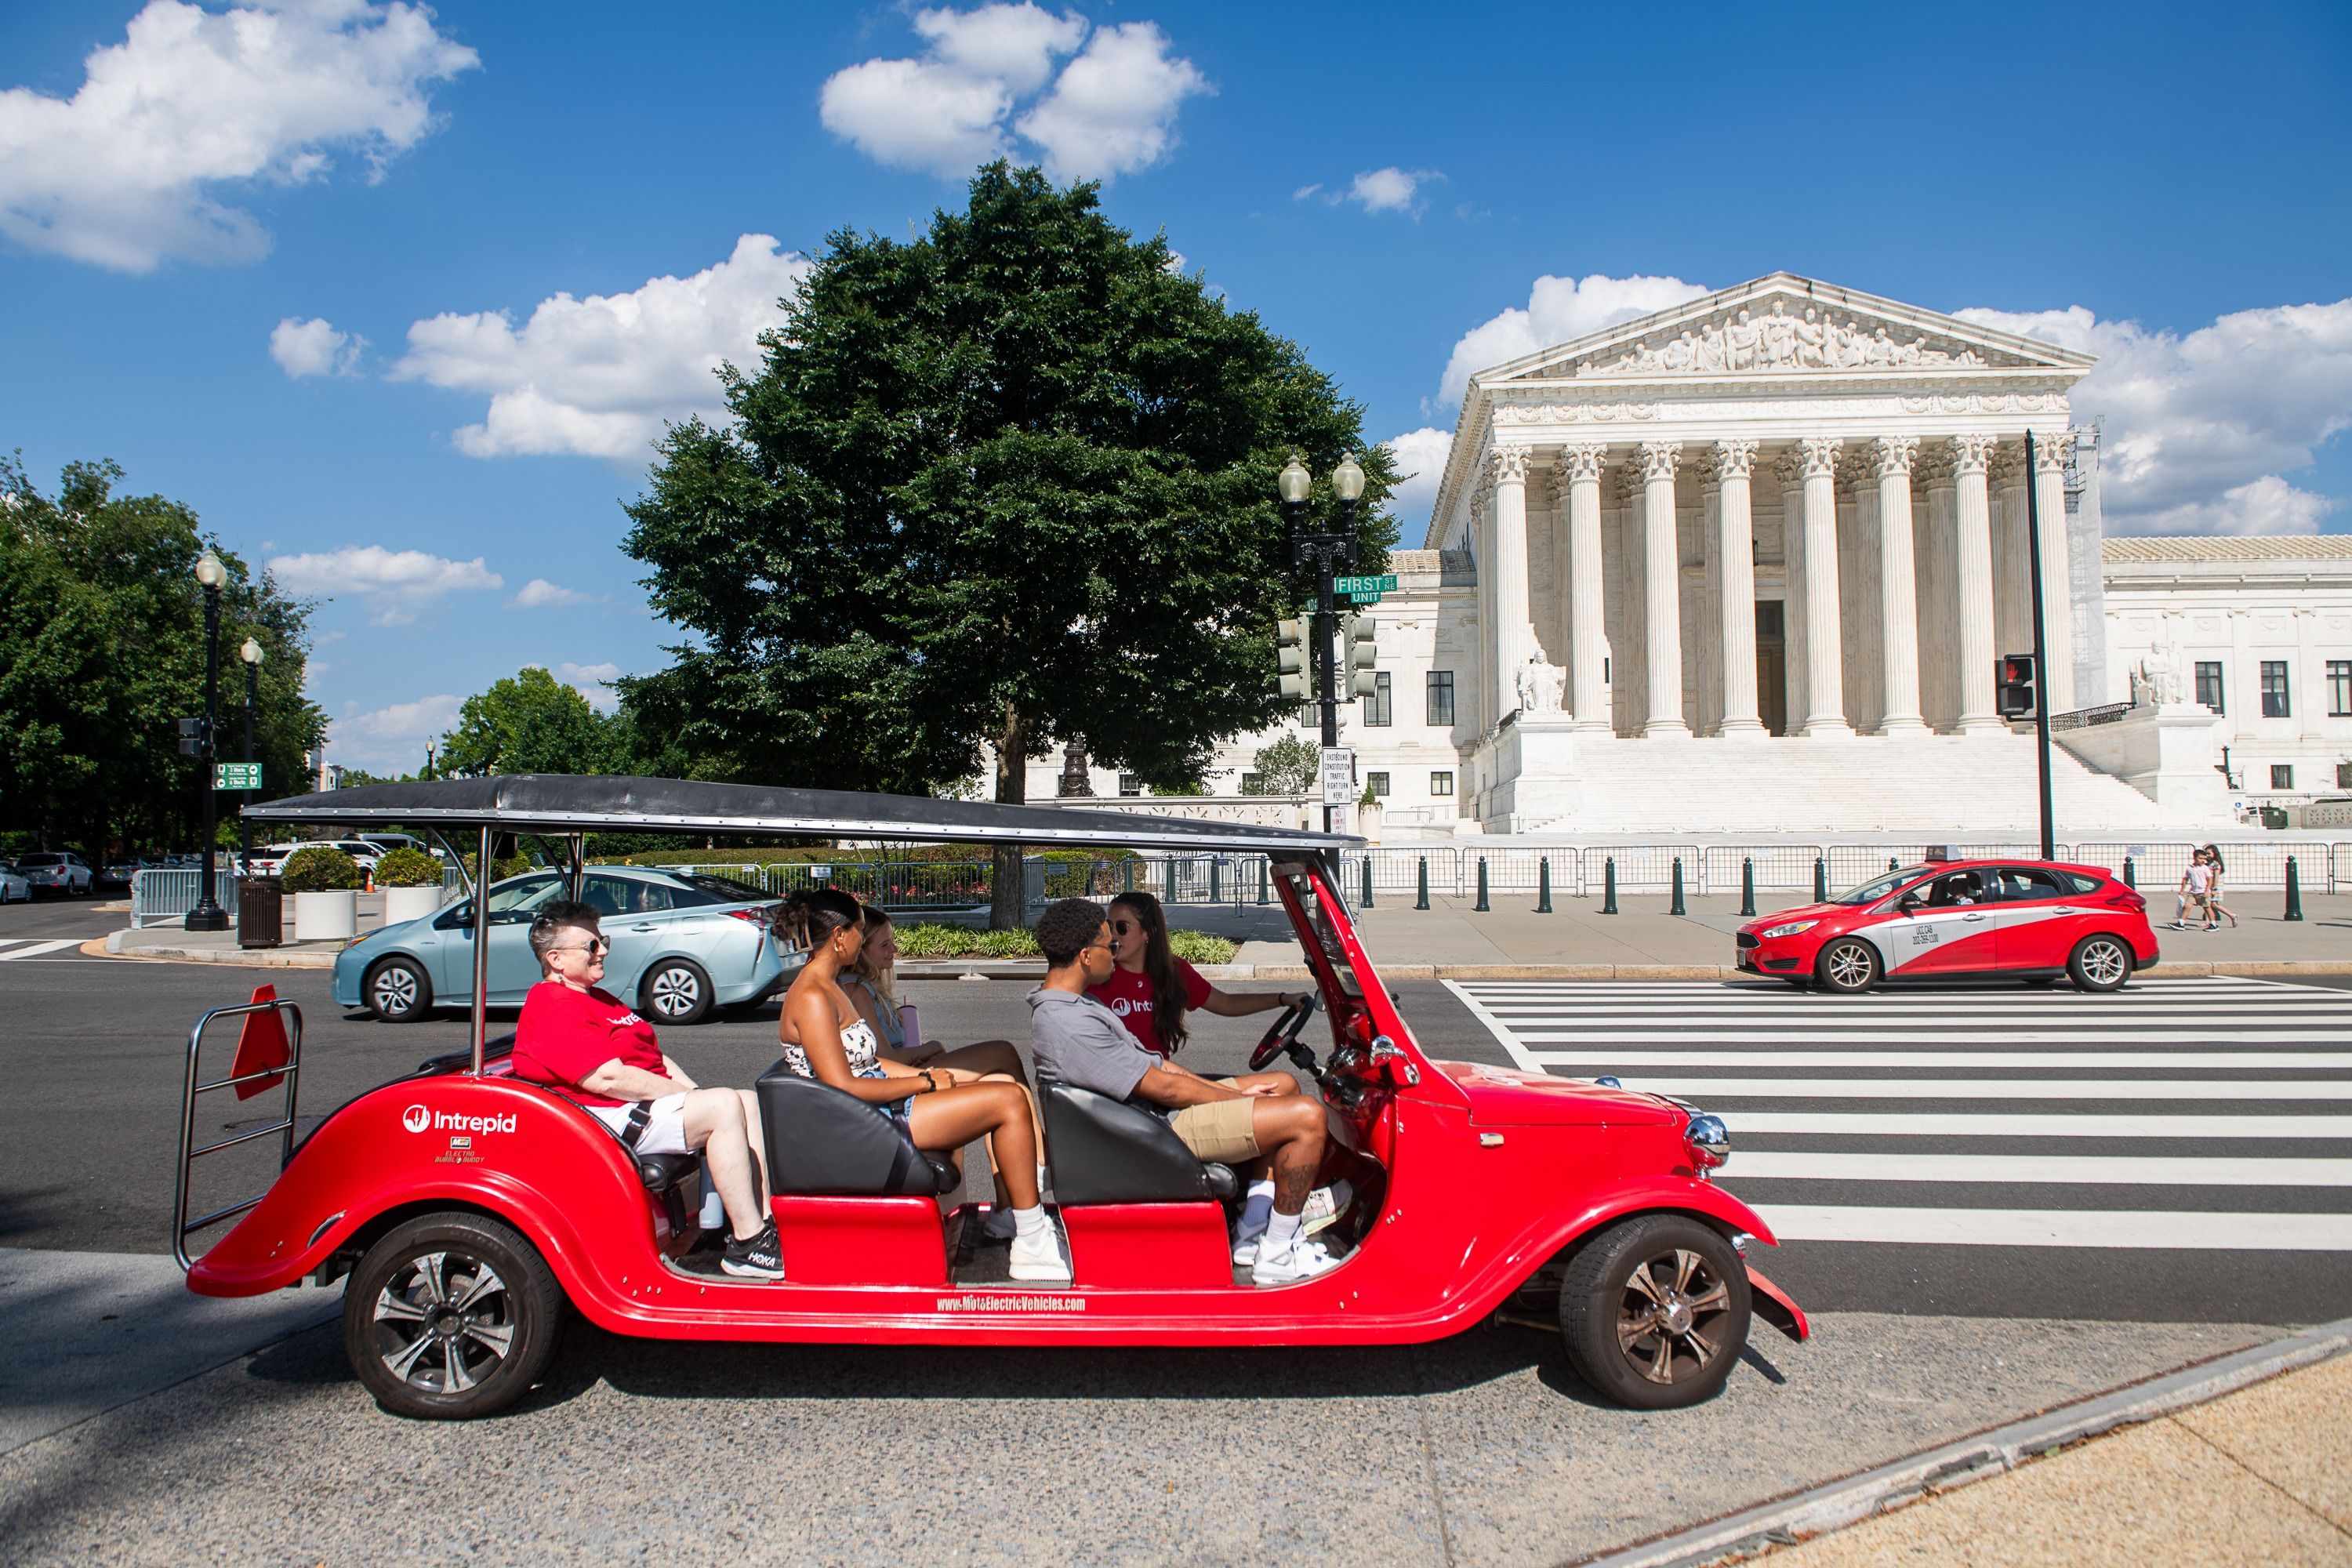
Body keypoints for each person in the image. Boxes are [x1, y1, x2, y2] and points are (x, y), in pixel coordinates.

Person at [1030, 897, 1341, 1287]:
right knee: (1307, 1116)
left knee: (1281, 1086)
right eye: (1106, 945)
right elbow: (1165, 1087)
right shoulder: (1072, 1021)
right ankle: (1278, 1253)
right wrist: (1242, 1100)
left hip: (1148, 1112)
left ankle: (1253, 1229)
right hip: (1153, 1127)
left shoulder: (1076, 1007)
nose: (1112, 952)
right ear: (1085, 956)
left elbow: (1160, 1066)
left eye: (1119, 937)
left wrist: (1224, 1090)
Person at [777, 888, 1069, 1283]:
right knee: (1008, 1101)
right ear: (839, 936)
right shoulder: (813, 995)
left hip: (872, 1109)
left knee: (1007, 1090)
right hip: (860, 1123)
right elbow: (843, 1085)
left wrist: (923, 1079)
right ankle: (1032, 1240)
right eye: (860, 932)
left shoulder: (827, 986)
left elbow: (869, 1062)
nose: (862, 942)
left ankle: (1020, 1215)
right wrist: (922, 1083)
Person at [510, 901, 784, 1281]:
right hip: (604, 1116)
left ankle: (764, 1227)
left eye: (601, 940)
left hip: (632, 1105)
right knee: (723, 1106)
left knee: (743, 1100)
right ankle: (749, 1243)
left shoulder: (597, 998)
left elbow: (653, 1055)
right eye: (591, 946)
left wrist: (695, 1093)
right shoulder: (552, 1004)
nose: (603, 950)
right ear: (555, 959)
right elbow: (609, 1079)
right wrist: (689, 1099)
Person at [1094, 890, 1352, 1254]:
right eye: (1109, 927)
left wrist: (1280, 999)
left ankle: (1255, 1215)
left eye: (1121, 927)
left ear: (1147, 933)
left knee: (1284, 1084)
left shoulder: (1172, 973)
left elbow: (1225, 1003)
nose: (1113, 935)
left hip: (1168, 1085)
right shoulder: (1102, 981)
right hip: (1147, 1101)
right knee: (1297, 1112)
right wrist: (1229, 1095)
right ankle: (1273, 1233)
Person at [2173, 851, 2216, 931]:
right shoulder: (2190, 868)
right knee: (2187, 907)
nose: (2203, 860)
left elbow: (2210, 879)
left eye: (2204, 858)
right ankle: (2181, 923)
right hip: (2193, 892)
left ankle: (2213, 925)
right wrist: (2182, 890)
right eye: (2200, 858)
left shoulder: (2205, 868)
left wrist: (2207, 891)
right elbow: (2185, 879)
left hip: (2203, 892)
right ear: (2194, 858)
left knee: (2207, 908)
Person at [2201, 844, 2239, 930]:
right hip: (2209, 886)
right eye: (2206, 854)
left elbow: (2216, 877)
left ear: (2214, 854)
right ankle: (2209, 921)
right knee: (2208, 904)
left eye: (2209, 854)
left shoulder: (2216, 865)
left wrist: (2214, 888)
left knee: (2214, 904)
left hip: (2215, 887)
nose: (2207, 856)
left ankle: (2232, 915)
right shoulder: (2208, 864)